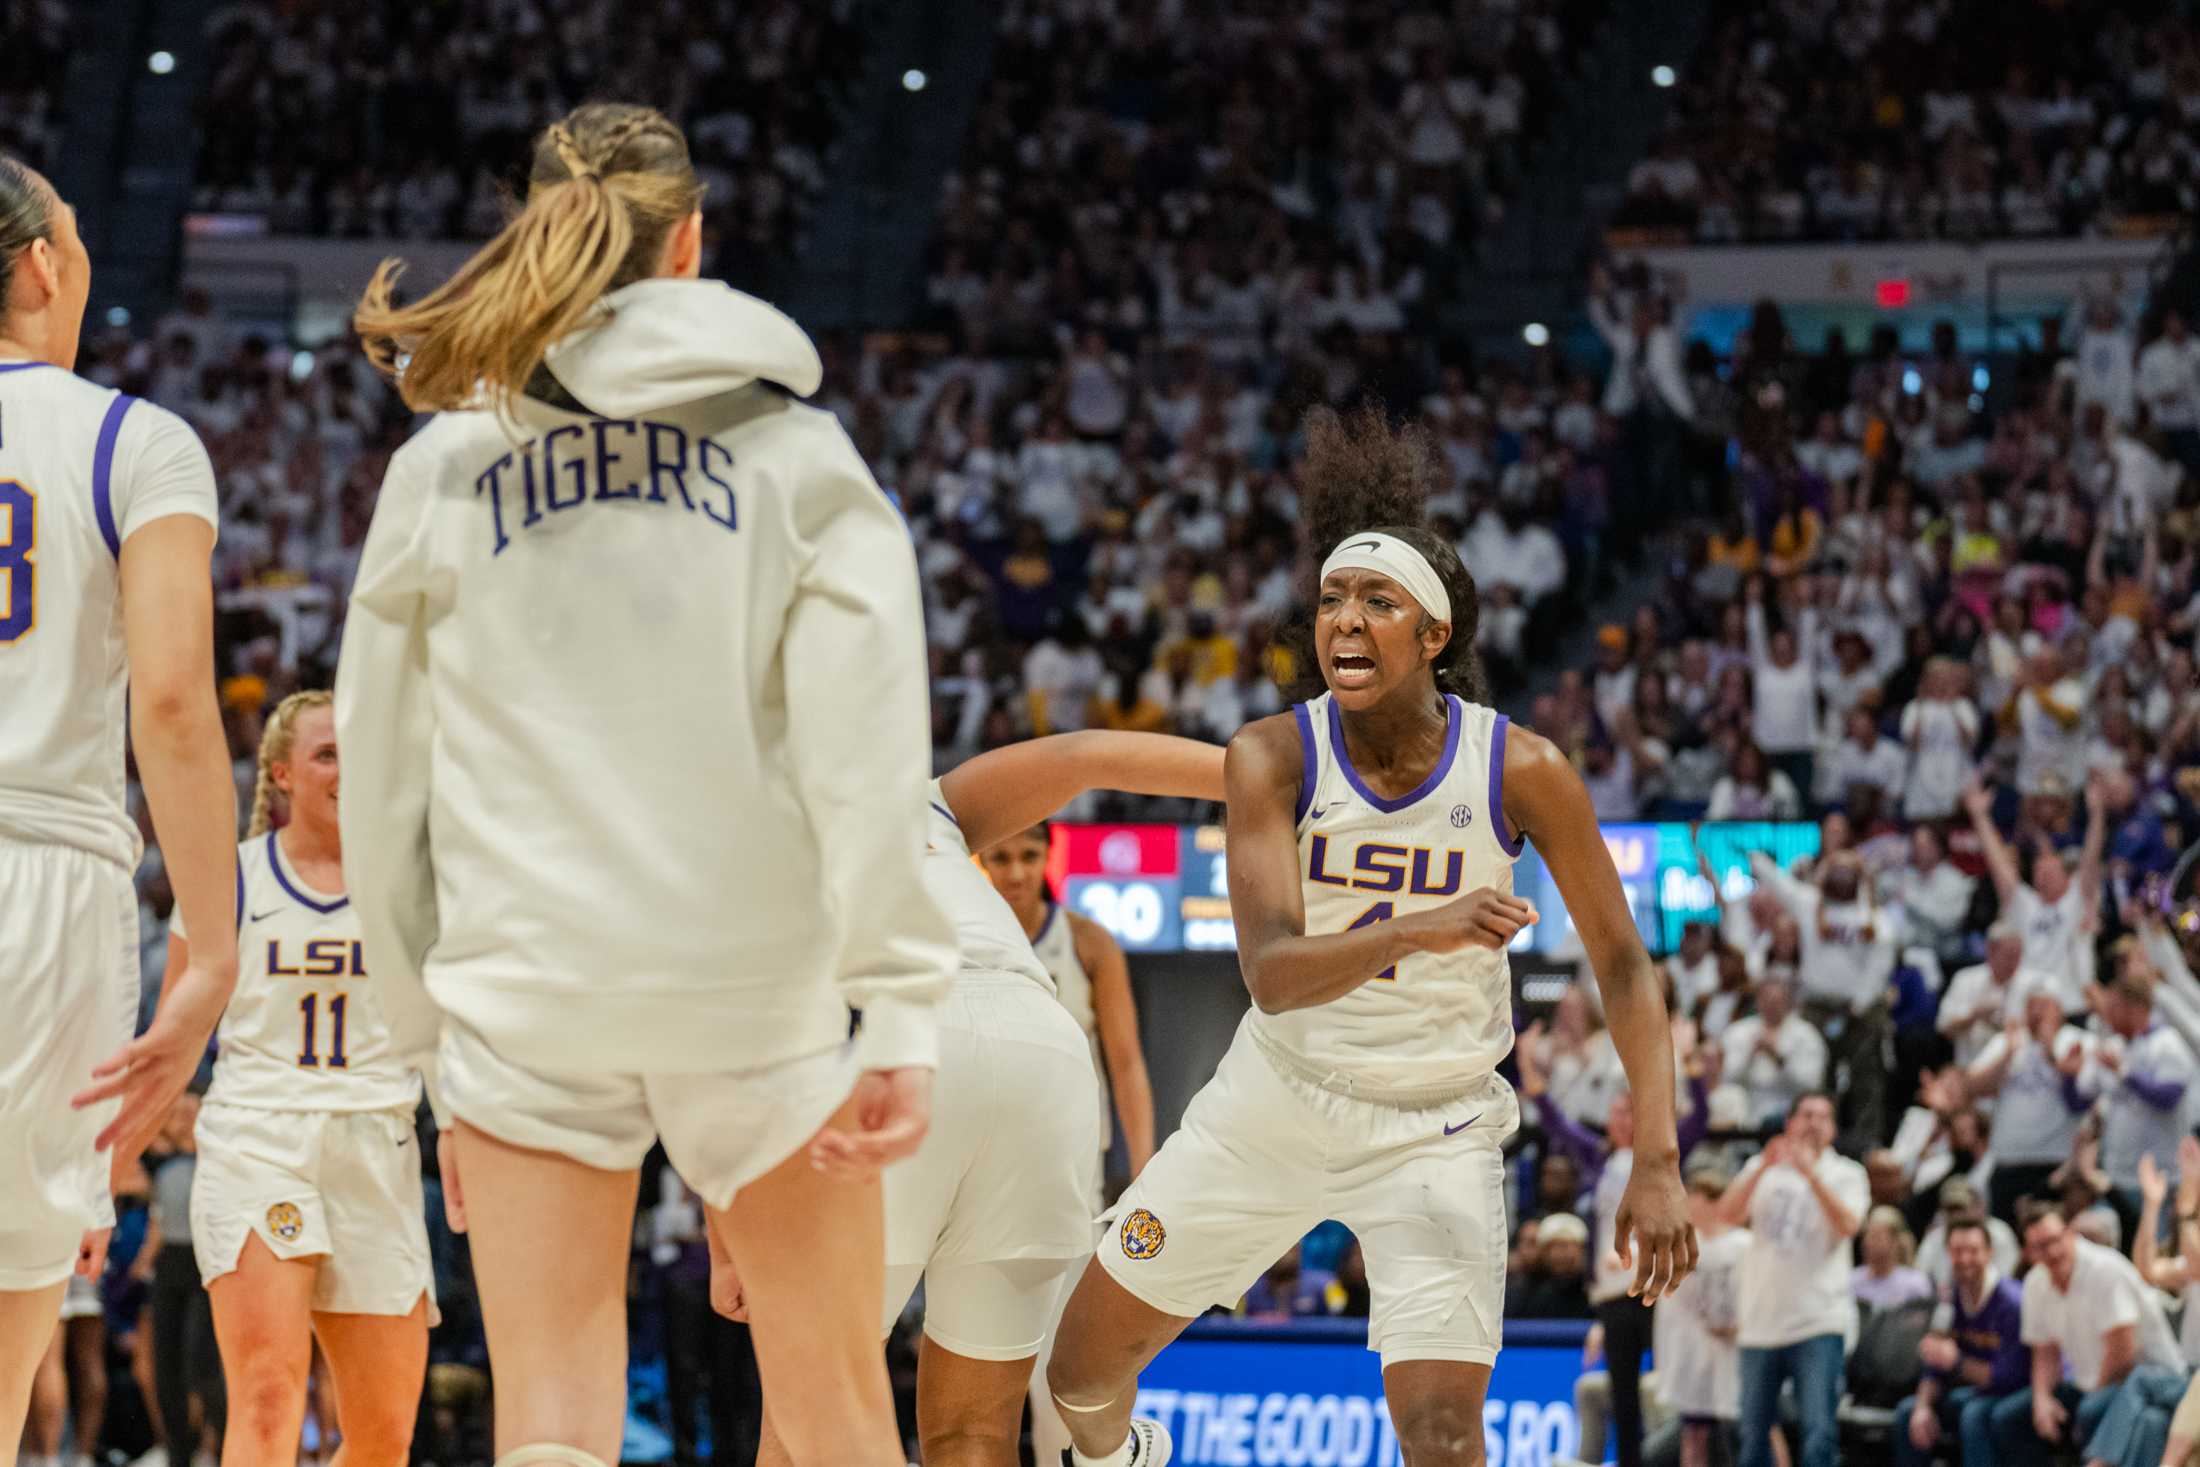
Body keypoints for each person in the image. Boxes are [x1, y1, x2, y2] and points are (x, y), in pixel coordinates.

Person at [335, 104, 955, 1467]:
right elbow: (869, 751)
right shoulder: (800, 456)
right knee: (842, 1414)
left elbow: (381, 775)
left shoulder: (446, 465)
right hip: (754, 996)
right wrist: (901, 1002)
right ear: (692, 239)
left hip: (526, 990)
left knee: (550, 1424)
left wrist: (424, 1038)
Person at [1045, 407, 1696, 1467]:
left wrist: (1658, 1157)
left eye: (1375, 601)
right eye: (1330, 599)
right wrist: (1427, 926)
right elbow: (1272, 976)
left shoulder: (1522, 769)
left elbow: (1624, 964)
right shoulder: (1271, 757)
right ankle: (1123, 1457)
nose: (1342, 619)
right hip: (1275, 1100)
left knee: (1442, 1438)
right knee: (1077, 1372)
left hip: (1434, 1127)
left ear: (1433, 635)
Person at [725, 730, 1225, 1467]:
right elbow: (1085, 753)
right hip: (1041, 1052)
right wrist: (1301, 777)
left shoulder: (741, 838)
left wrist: (726, 1233)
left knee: (808, 1418)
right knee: (971, 1432)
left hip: (897, 1044)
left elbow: (733, 1042)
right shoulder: (929, 806)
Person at [0, 151, 240, 1451]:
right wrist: (209, 946)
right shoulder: (130, 438)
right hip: (43, 878)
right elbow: (174, 707)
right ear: (43, 263)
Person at [172, 692, 431, 1467]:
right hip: (260, 1134)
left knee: (384, 1434)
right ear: (281, 772)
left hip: (379, 1140)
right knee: (269, 1394)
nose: (346, 769)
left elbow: (446, 1024)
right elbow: (177, 1034)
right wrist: (106, 1172)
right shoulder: (232, 877)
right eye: (326, 754)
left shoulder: (409, 882)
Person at [975, 816, 1161, 1465]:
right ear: (980, 862)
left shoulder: (1086, 942)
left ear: (1049, 856)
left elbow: (1128, 1064)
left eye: (1029, 853)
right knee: (982, 1389)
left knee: (1063, 1381)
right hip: (979, 1188)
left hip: (1070, 1193)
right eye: (1001, 855)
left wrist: (1143, 1175)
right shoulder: (956, 946)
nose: (1017, 871)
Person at [1519, 1017, 1711, 1467]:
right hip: (1612, 1289)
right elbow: (1552, 1118)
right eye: (1616, 1111)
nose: (1620, 1117)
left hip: (1659, 1286)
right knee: (1623, 1394)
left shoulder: (1661, 1154)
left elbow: (1699, 1118)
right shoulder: (1597, 1156)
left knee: (1665, 1392)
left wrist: (1689, 1064)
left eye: (1629, 1110)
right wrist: (1526, 1057)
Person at [1721, 1092, 1869, 1467]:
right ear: (1789, 1123)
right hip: (1760, 1323)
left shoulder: (1848, 1173)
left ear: (1833, 1129)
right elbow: (1727, 1216)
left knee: (1818, 1430)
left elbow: (1849, 1225)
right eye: (1806, 1115)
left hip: (1818, 1320)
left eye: (1823, 1117)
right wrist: (1759, 1170)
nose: (1814, 1123)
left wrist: (1810, 1173)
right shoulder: (1762, 1167)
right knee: (1753, 1434)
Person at [1991, 1204, 2187, 1467]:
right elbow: (2045, 1352)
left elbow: (2122, 1354)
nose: (2051, 1251)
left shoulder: (2105, 1270)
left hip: (2139, 1376)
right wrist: (2042, 1400)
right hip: (2087, 1382)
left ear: (2070, 1233)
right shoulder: (2036, 1283)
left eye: (2054, 1240)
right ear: (2027, 1252)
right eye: (2040, 1246)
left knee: (2091, 1409)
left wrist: (2091, 1393)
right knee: (2006, 1417)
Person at [1748, 849, 1899, 1148]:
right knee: (1818, 1078)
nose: (1841, 878)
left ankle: (1866, 1145)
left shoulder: (1875, 918)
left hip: (1862, 1010)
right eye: (1836, 871)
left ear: (1859, 877)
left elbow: (1880, 965)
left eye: (1848, 872)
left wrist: (1859, 1003)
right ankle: (1815, 1140)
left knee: (1866, 1079)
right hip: (1817, 1007)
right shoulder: (1809, 905)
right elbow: (1779, 883)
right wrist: (1755, 855)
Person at [1893, 1215, 2027, 1467]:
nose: (1965, 1259)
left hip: (2013, 1393)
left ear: (1989, 1253)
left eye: (1973, 1251)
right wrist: (1923, 1407)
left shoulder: (2011, 1302)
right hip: (1975, 1391)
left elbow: (2006, 1377)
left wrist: (1956, 1362)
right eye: (1957, 1251)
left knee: (1973, 1414)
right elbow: (1934, 1367)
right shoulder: (1950, 1298)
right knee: (1909, 1411)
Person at [1962, 775, 2104, 1012]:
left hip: (2069, 1005)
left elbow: (2091, 858)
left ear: (2066, 876)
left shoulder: (2076, 900)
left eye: (2049, 869)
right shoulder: (2025, 903)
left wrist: (2098, 813)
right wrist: (1980, 816)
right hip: (2027, 1004)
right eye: (2037, 870)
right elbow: (1999, 865)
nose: (2041, 875)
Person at [1962, 990, 2093, 1223]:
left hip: (2055, 1164)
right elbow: (1972, 1086)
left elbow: (2081, 1103)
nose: (2037, 1014)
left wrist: (2050, 1049)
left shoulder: (2078, 1041)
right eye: (2031, 1007)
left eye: (2044, 1007)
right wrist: (2007, 1055)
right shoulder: (2007, 1041)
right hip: (2008, 1162)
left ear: (2059, 1011)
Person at [1658, 1165, 1749, 1467]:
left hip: (1735, 1350)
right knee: (1693, 1431)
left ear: (1713, 1201)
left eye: (1696, 1198)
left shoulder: (1742, 1245)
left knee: (1754, 1428)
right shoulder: (1679, 1243)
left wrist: (1741, 1324)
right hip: (1692, 1353)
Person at [1718, 977, 1828, 1129]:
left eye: (1777, 1001)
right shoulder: (1738, 1032)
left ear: (1789, 1003)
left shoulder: (1807, 1036)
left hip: (1788, 1114)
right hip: (1743, 1113)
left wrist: (1779, 1059)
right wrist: (1749, 1057)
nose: (1771, 1006)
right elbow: (1723, 1078)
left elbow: (1811, 1085)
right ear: (1758, 1001)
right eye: (1767, 1000)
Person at [1853, 1206, 1934, 1315]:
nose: (1868, 1243)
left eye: (1876, 1237)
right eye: (1866, 1236)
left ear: (1895, 1242)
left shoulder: (1915, 1284)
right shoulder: (1852, 1281)